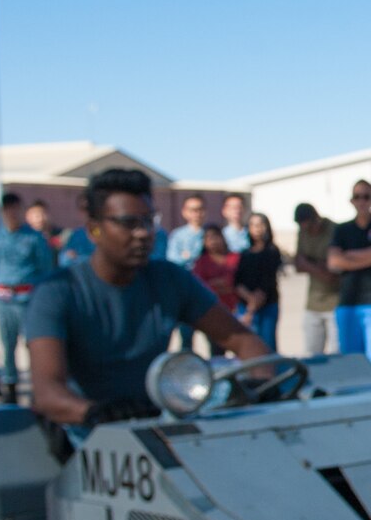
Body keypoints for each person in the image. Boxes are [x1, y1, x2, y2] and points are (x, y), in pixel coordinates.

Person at [27, 169, 270, 430]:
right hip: (89, 431)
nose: (143, 234)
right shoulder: (57, 291)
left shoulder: (170, 279)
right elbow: (47, 393)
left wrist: (262, 388)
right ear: (94, 230)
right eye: (128, 223)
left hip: (157, 421)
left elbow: (245, 342)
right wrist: (97, 413)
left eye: (147, 222)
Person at [0, 191, 58, 402]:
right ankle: (10, 386)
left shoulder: (33, 238)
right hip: (4, 299)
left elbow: (45, 268)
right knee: (7, 344)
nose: (12, 214)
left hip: (28, 299)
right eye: (8, 210)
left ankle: (38, 386)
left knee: (33, 344)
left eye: (15, 209)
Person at [328, 181, 371, 364]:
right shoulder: (342, 230)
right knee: (351, 363)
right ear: (352, 200)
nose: (362, 201)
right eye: (358, 197)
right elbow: (334, 261)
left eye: (366, 196)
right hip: (348, 301)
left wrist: (348, 256)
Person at [288, 203, 337, 355]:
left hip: (335, 302)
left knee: (337, 355)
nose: (307, 230)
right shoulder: (303, 232)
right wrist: (318, 266)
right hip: (312, 304)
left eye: (309, 225)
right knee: (312, 355)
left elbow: (332, 272)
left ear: (316, 219)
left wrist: (308, 263)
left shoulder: (334, 230)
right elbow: (297, 265)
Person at [235, 215, 282, 349]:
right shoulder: (245, 253)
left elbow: (267, 281)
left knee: (267, 345)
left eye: (260, 224)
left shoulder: (272, 251)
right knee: (249, 346)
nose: (257, 229)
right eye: (253, 225)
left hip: (266, 303)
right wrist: (248, 299)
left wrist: (252, 307)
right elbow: (238, 281)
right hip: (246, 303)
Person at [165, 194, 207, 266]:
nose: (197, 213)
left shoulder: (211, 233)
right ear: (184, 212)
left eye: (200, 209)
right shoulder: (177, 235)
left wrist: (187, 255)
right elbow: (172, 259)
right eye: (192, 210)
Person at [58, 195, 96, 267]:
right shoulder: (77, 234)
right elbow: (64, 260)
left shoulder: (107, 234)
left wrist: (78, 258)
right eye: (82, 209)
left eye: (90, 208)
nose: (87, 213)